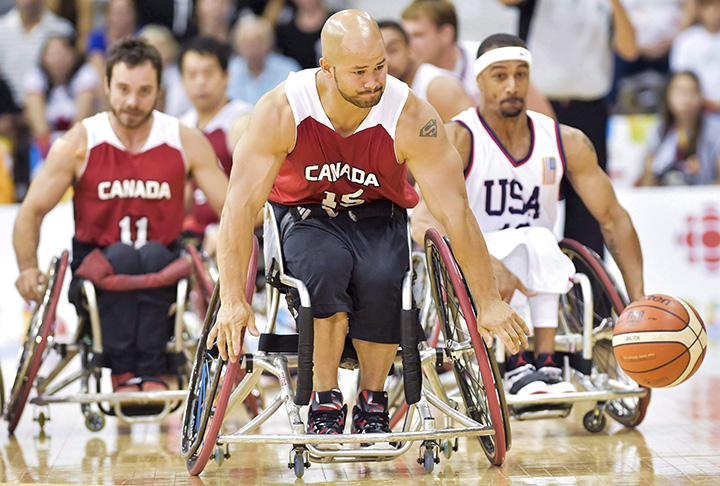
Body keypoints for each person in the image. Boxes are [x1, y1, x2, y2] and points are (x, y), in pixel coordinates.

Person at [209, 9, 529, 440]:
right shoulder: (283, 109)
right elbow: (238, 208)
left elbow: (457, 214)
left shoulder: (411, 115)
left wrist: (486, 299)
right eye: (359, 71)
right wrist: (232, 297)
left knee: (383, 279)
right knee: (323, 268)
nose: (373, 81)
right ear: (327, 68)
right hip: (306, 213)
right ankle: (325, 396)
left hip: (379, 213)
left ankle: (373, 399)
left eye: (379, 66)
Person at [411, 34, 645, 396]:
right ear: (478, 81)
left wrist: (637, 301)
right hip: (475, 261)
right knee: (524, 245)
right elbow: (422, 220)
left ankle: (547, 363)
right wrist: (483, 263)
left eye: (521, 75)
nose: (512, 85)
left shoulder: (566, 140)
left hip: (539, 257)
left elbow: (614, 218)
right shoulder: (458, 138)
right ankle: (518, 364)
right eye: (500, 76)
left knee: (537, 238)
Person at [13, 37, 229, 393]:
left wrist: (225, 229)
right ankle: (125, 371)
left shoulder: (184, 140)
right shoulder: (79, 142)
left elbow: (233, 208)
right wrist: (26, 267)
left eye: (144, 91)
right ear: (107, 86)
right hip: (97, 270)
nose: (132, 101)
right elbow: (31, 211)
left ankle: (152, 368)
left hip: (163, 267)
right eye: (124, 89)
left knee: (155, 255)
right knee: (123, 256)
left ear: (159, 90)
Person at [498, 0, 638, 258]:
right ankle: (527, 265)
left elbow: (629, 49)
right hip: (538, 107)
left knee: (589, 204)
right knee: (531, 192)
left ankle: (588, 283)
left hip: (590, 110)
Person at [400, 0, 555, 119]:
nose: (409, 44)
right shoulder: (403, 73)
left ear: (446, 34)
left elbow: (545, 119)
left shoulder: (491, 59)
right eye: (405, 36)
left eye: (418, 35)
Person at [179, 35, 252, 249]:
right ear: (182, 80)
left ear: (226, 76)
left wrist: (228, 229)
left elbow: (260, 196)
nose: (200, 82)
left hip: (236, 230)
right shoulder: (180, 126)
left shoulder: (243, 121)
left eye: (208, 73)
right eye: (192, 74)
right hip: (193, 232)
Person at [378, 19, 471, 123]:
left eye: (393, 50)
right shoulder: (381, 91)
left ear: (411, 49)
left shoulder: (440, 87)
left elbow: (470, 135)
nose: (387, 60)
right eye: (378, 53)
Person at [639, 71, 720, 186]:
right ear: (668, 96)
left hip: (703, 198)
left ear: (701, 96)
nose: (687, 100)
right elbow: (647, 183)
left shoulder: (715, 131)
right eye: (680, 92)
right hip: (664, 198)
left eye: (692, 92)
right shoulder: (659, 131)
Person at [24, 35, 99, 148]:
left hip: (79, 141)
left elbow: (82, 119)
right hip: (46, 143)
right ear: (43, 58)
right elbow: (37, 122)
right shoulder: (36, 76)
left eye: (62, 52)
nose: (58, 58)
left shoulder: (85, 73)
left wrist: (68, 148)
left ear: (73, 55)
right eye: (52, 54)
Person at [227, 14, 301, 105]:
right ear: (238, 47)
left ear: (269, 43)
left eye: (257, 42)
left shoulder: (288, 70)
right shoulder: (230, 71)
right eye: (247, 44)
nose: (253, 49)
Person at [670, 0, 720, 112]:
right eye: (711, 7)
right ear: (700, 9)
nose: (715, 12)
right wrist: (705, 102)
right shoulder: (685, 40)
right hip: (696, 108)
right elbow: (681, 79)